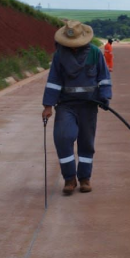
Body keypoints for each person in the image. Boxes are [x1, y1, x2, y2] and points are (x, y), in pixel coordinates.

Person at [42, 21, 112, 196]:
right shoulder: (60, 56)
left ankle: (84, 179)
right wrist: (48, 106)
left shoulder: (95, 54)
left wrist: (104, 97)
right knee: (63, 137)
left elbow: (104, 77)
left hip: (89, 105)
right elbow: (54, 81)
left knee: (86, 143)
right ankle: (69, 179)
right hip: (66, 105)